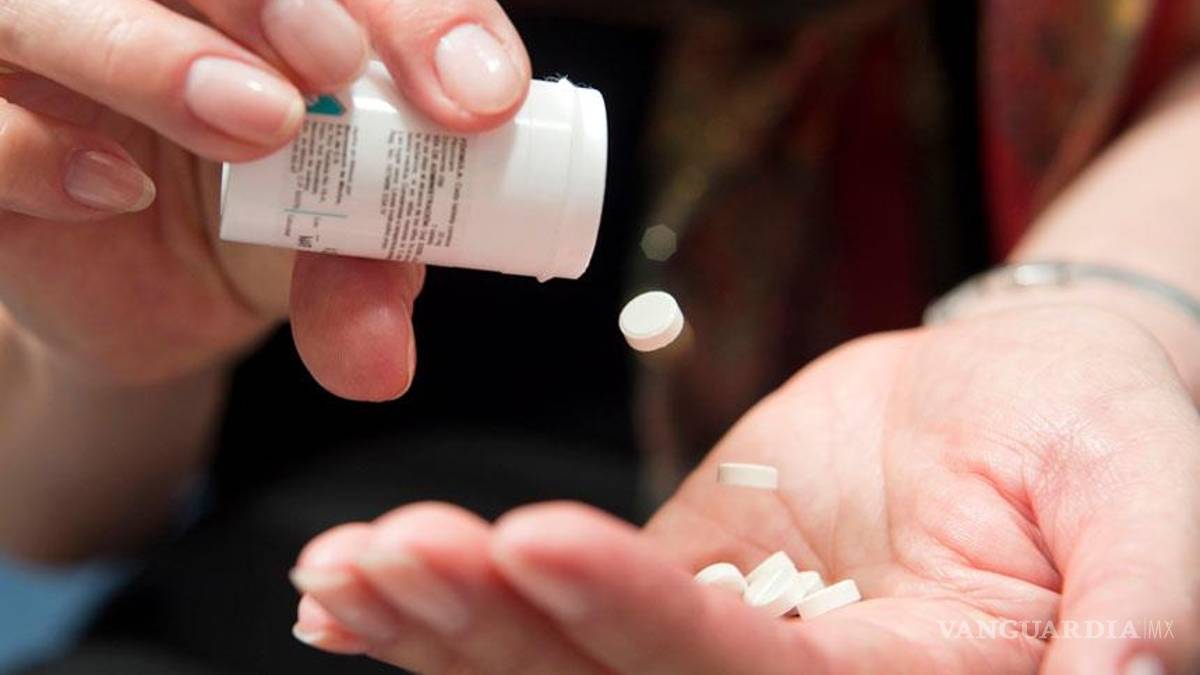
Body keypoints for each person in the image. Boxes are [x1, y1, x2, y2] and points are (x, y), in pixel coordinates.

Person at [1, 1, 1198, 674]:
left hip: (906, 509)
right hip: (300, 570)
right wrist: (127, 347)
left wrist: (1090, 309)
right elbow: (53, 522)